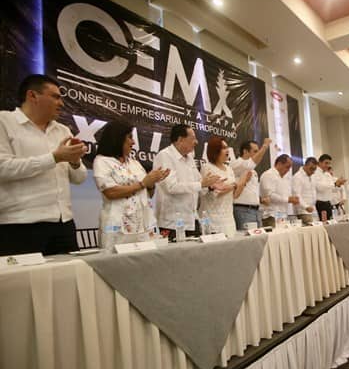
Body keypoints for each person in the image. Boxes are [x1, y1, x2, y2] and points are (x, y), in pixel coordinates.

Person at [0, 74, 88, 256]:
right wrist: (54, 158)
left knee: (71, 281)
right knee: (23, 283)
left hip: (64, 223)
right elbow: (3, 168)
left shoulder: (63, 130)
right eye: (55, 96)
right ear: (32, 96)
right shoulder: (4, 122)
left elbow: (79, 179)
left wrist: (74, 161)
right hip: (20, 225)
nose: (61, 103)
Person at [93, 121, 169, 249]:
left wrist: (152, 183)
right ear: (117, 138)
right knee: (117, 265)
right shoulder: (102, 161)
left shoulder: (135, 163)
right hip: (117, 229)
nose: (133, 142)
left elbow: (148, 194)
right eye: (130, 137)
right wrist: (143, 183)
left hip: (142, 227)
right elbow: (110, 192)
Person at [153, 124, 222, 239]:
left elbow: (198, 183)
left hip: (192, 220)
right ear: (180, 139)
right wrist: (201, 184)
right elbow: (171, 187)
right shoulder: (165, 156)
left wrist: (210, 185)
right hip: (172, 223)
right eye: (193, 138)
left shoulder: (189, 158)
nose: (196, 142)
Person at [200, 136, 251, 237]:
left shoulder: (229, 169)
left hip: (229, 218)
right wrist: (236, 184)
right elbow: (217, 192)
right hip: (213, 218)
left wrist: (243, 182)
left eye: (227, 147)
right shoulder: (208, 168)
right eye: (223, 148)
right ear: (215, 151)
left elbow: (235, 195)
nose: (227, 150)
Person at [230, 138, 272, 230]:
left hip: (256, 210)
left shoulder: (253, 170)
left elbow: (250, 191)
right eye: (255, 151)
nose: (257, 154)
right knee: (247, 241)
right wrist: (264, 146)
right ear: (245, 151)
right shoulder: (237, 164)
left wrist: (261, 200)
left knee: (258, 241)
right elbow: (250, 164)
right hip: (243, 210)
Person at [260, 154, 300, 227]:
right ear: (279, 164)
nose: (288, 170)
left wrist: (292, 199)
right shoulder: (269, 175)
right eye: (287, 167)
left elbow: (285, 195)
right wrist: (288, 199)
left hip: (283, 214)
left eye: (289, 168)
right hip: (271, 214)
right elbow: (269, 195)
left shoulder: (285, 178)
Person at [313, 154, 346, 221]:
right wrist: (335, 184)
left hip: (328, 203)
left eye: (329, 163)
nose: (328, 165)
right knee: (323, 225)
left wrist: (338, 185)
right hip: (319, 203)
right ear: (319, 162)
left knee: (331, 223)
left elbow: (332, 189)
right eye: (326, 163)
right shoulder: (315, 173)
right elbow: (320, 187)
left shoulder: (327, 174)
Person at [292, 157, 318, 225]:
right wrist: (306, 206)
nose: (313, 172)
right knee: (310, 231)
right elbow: (296, 195)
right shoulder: (297, 177)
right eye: (311, 169)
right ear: (305, 165)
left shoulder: (312, 176)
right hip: (303, 211)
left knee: (317, 231)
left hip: (313, 209)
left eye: (314, 169)